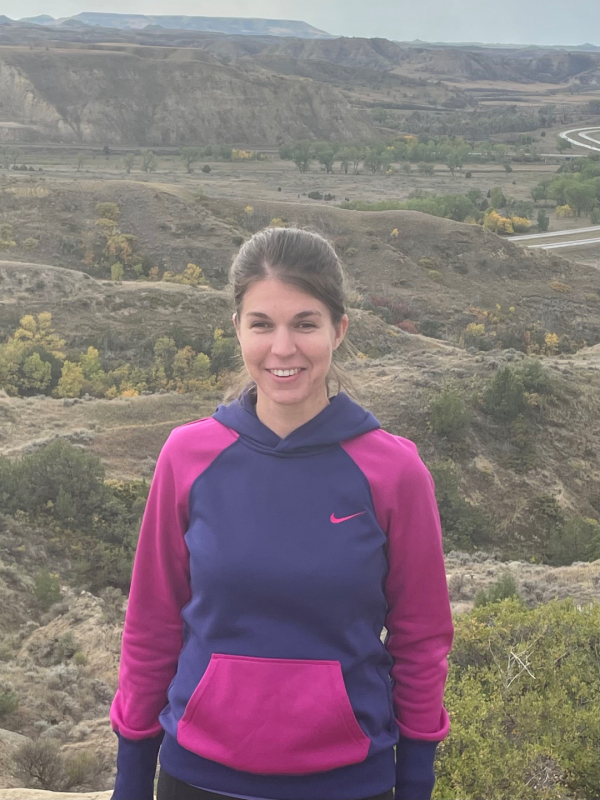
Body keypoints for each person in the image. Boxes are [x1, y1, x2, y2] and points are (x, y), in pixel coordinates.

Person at [109, 226, 454, 800]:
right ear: (238, 329)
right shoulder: (187, 457)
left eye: (305, 323)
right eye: (262, 324)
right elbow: (151, 627)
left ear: (338, 330)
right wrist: (130, 777)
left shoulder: (393, 472)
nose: (283, 348)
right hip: (195, 777)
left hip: (350, 783)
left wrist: (416, 780)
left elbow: (422, 640)